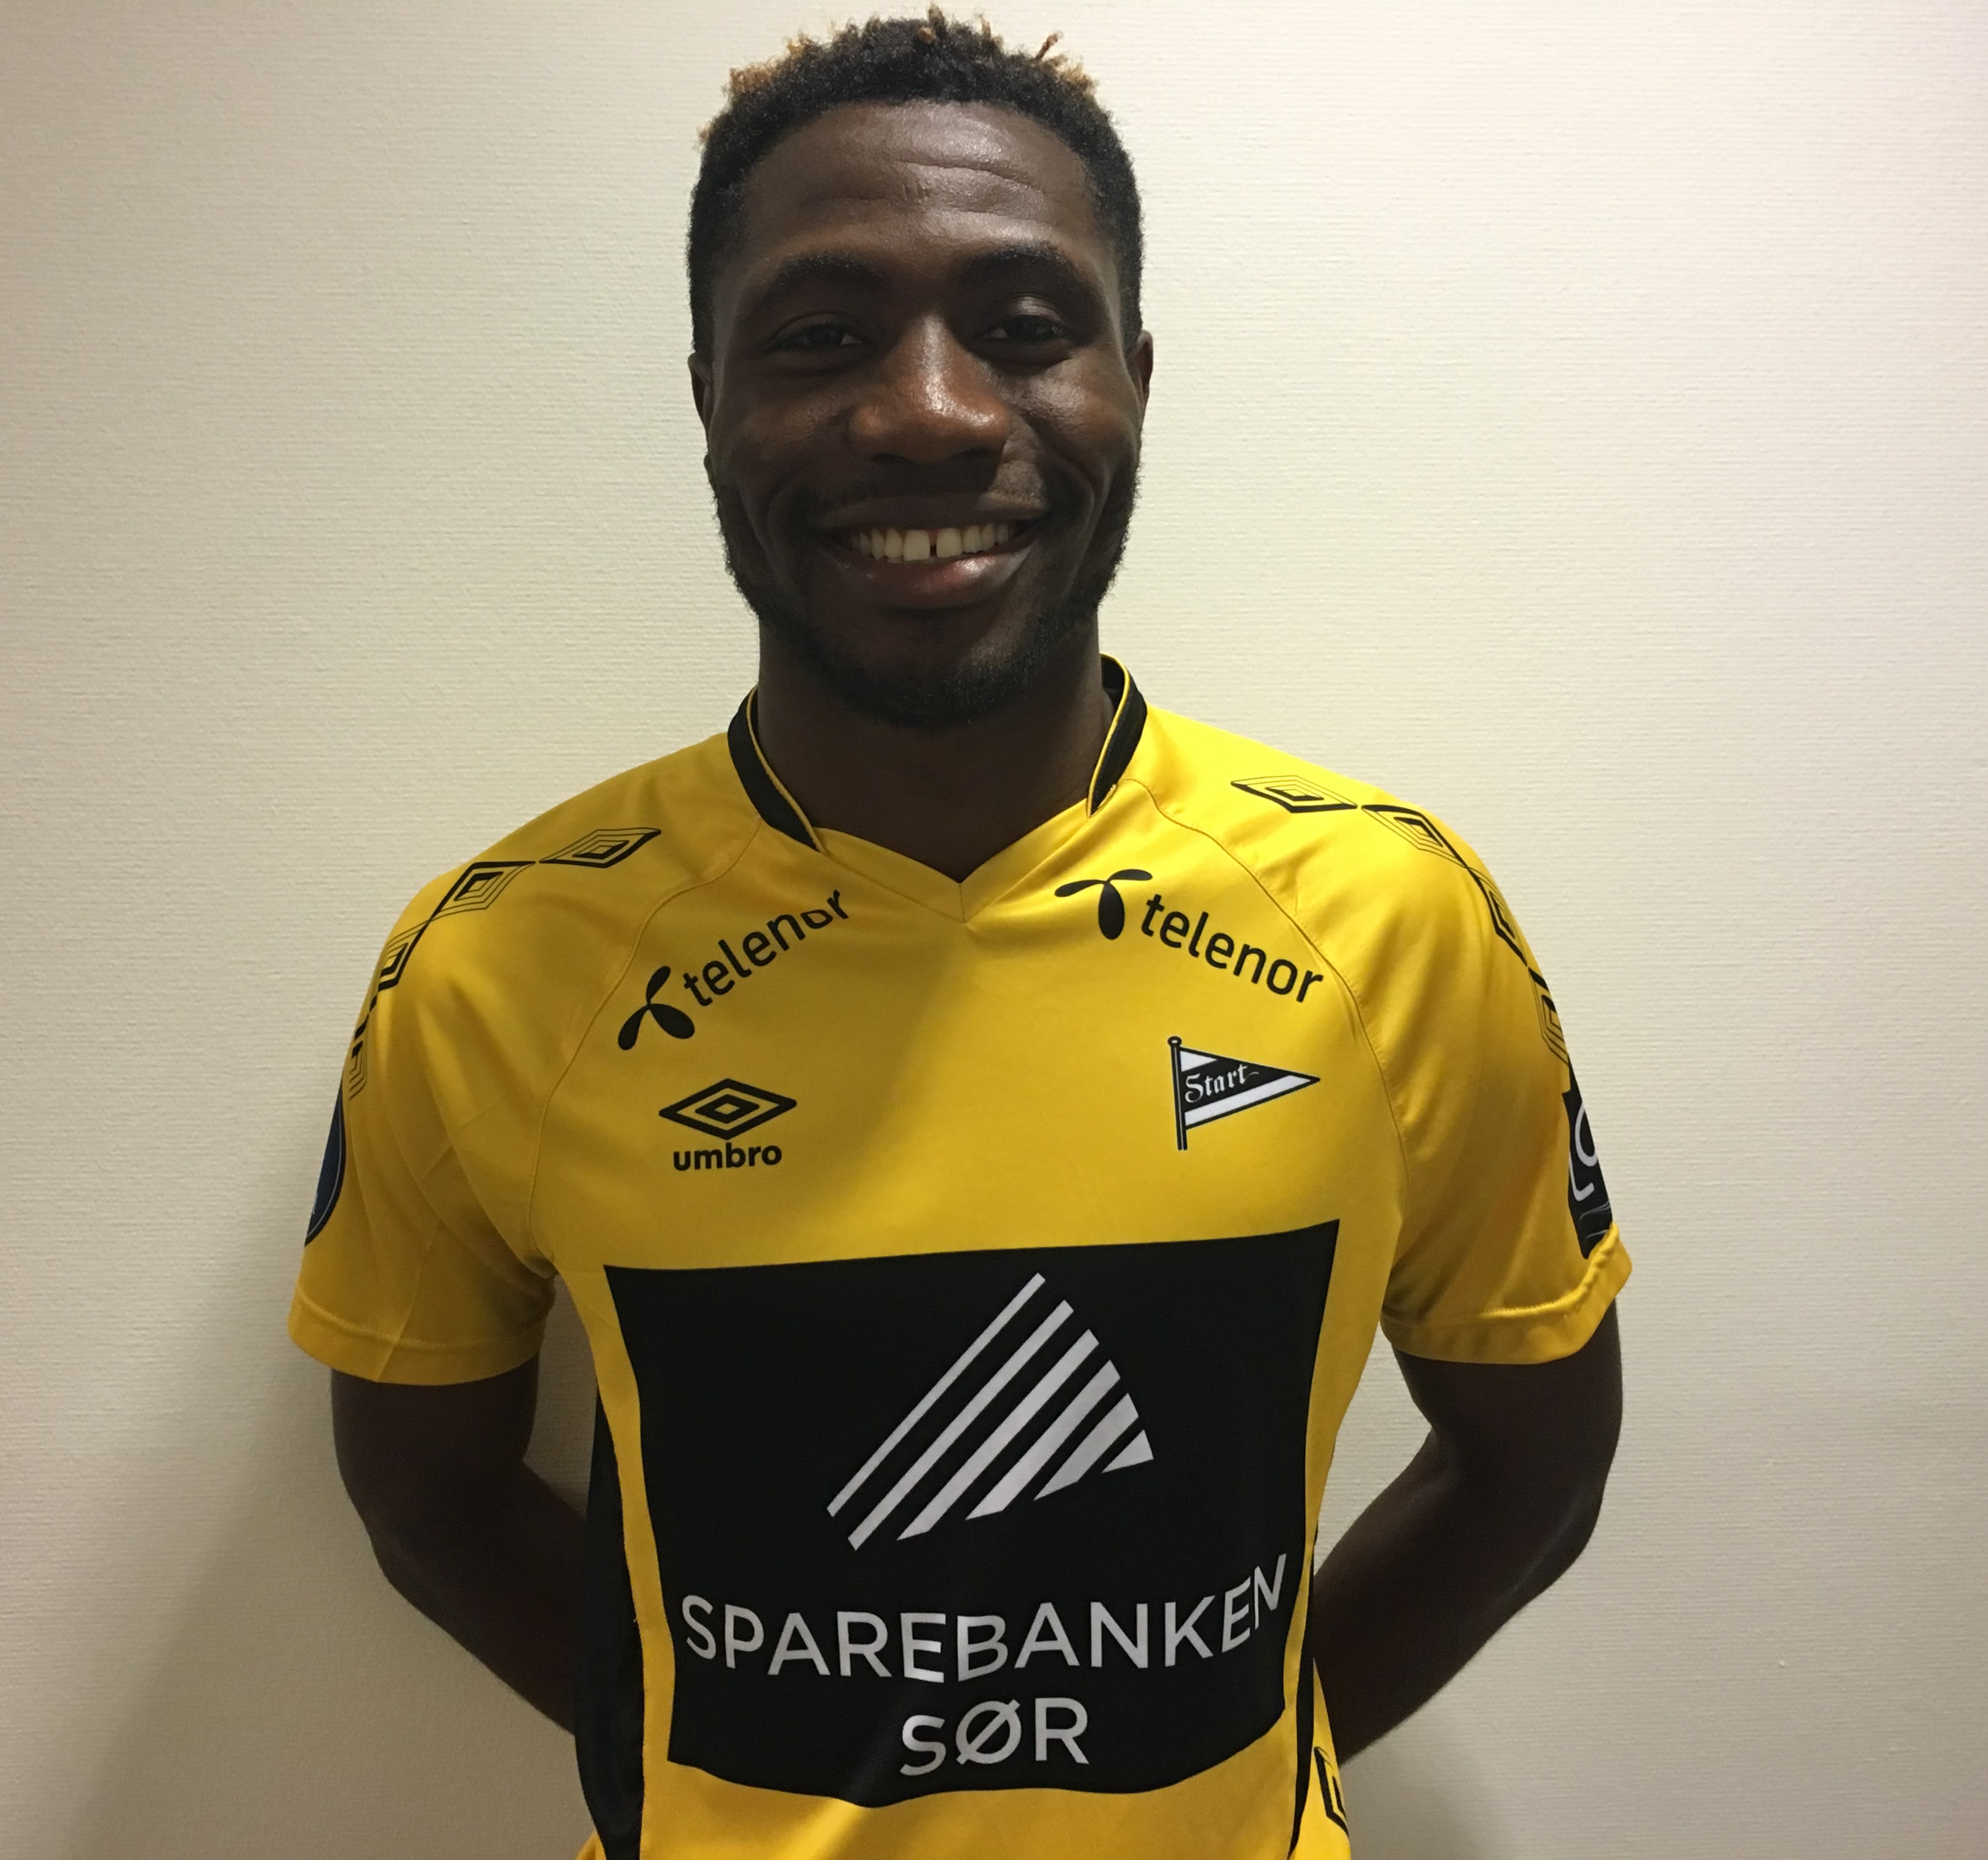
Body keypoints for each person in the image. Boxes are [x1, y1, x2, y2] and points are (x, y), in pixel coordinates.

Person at [289, 12, 1628, 1856]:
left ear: (1134, 378)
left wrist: (1240, 1774)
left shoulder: (1394, 920)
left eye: (1023, 325)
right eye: (822, 336)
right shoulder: (498, 963)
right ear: (707, 394)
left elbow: (1531, 1475)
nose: (929, 411)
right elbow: (427, 1500)